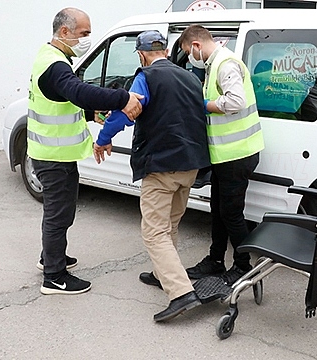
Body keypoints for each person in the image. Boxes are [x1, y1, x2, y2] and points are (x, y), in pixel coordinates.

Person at [93, 30, 211, 321]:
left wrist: (103, 138)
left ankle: (181, 293)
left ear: (141, 53)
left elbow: (127, 110)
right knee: (169, 223)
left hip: (162, 165)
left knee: (154, 231)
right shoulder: (191, 78)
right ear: (167, 51)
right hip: (192, 163)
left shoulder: (146, 76)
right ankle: (162, 274)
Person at [29, 7, 142, 295]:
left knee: (60, 213)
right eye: (84, 33)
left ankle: (50, 258)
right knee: (59, 214)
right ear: (65, 32)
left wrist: (93, 115)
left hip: (55, 154)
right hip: (53, 157)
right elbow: (78, 92)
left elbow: (65, 103)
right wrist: (123, 97)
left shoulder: (52, 58)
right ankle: (54, 277)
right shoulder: (56, 65)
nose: (87, 39)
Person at [177, 25, 265, 286]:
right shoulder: (214, 64)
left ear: (196, 46)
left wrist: (204, 106)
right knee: (218, 210)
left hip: (238, 154)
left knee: (232, 214)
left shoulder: (225, 63)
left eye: (188, 53)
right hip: (226, 155)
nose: (190, 59)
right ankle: (215, 260)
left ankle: (243, 267)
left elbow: (235, 101)